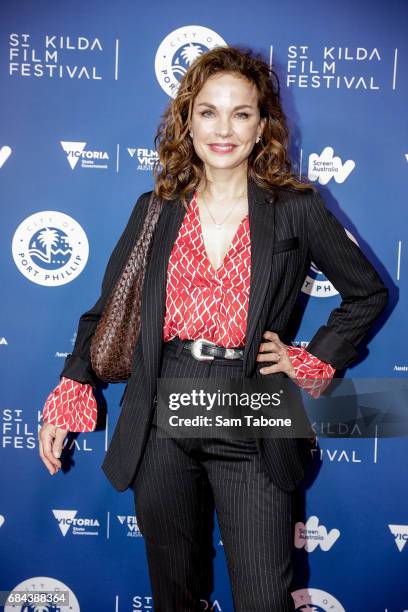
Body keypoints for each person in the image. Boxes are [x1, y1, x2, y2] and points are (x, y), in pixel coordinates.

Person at [38, 46, 388, 611]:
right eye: (208, 111)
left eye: (241, 113)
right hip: (163, 404)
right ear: (188, 121)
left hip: (252, 405)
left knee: (264, 598)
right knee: (176, 594)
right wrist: (70, 391)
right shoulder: (155, 207)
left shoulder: (296, 208)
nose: (223, 128)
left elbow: (368, 293)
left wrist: (313, 357)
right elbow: (107, 312)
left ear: (261, 126)